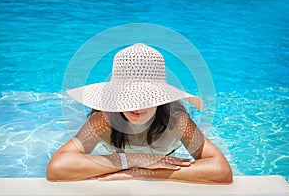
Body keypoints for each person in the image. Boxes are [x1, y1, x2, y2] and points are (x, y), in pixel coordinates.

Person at [46, 43, 233, 184]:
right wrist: (133, 159)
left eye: (147, 96)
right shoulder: (106, 120)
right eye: (129, 96)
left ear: (161, 97)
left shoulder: (176, 120)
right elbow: (57, 168)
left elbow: (221, 171)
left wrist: (145, 171)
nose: (136, 106)